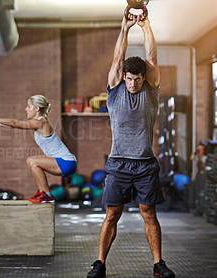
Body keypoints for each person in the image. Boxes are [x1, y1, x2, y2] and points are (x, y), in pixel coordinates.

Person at [87, 12, 175, 278]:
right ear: (123, 76)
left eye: (138, 79)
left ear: (143, 77)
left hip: (146, 164)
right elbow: (116, 58)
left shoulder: (151, 88)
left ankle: (159, 264)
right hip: (118, 163)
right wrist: (124, 28)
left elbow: (152, 56)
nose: (133, 83)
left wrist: (146, 26)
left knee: (149, 214)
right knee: (112, 214)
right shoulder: (114, 90)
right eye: (129, 78)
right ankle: (100, 264)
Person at [0, 95, 77, 204]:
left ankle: (46, 195)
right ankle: (42, 193)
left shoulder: (41, 122)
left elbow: (15, 123)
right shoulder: (39, 122)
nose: (26, 109)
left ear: (36, 109)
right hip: (64, 161)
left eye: (28, 106)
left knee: (32, 161)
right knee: (32, 162)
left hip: (66, 162)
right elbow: (13, 126)